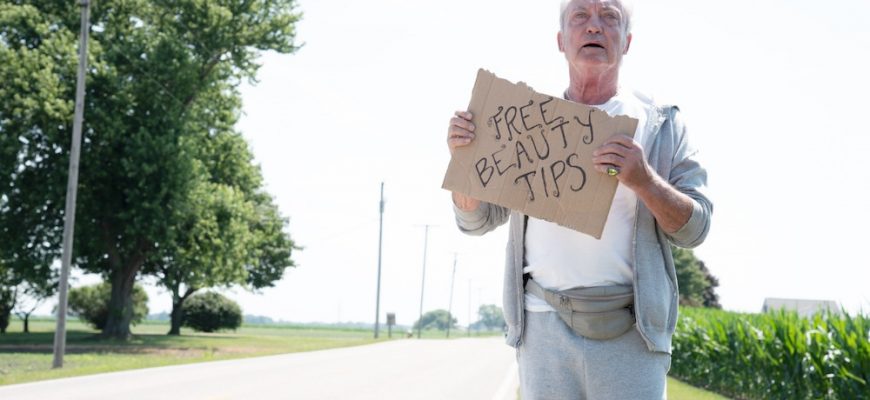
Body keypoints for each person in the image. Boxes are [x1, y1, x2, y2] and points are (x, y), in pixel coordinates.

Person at [446, 0, 712, 399]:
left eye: (609, 17)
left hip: (631, 332)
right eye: (580, 17)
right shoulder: (527, 121)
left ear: (627, 41)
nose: (594, 27)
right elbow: (476, 220)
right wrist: (464, 161)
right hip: (542, 328)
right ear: (560, 40)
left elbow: (696, 229)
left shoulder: (660, 124)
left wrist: (644, 180)